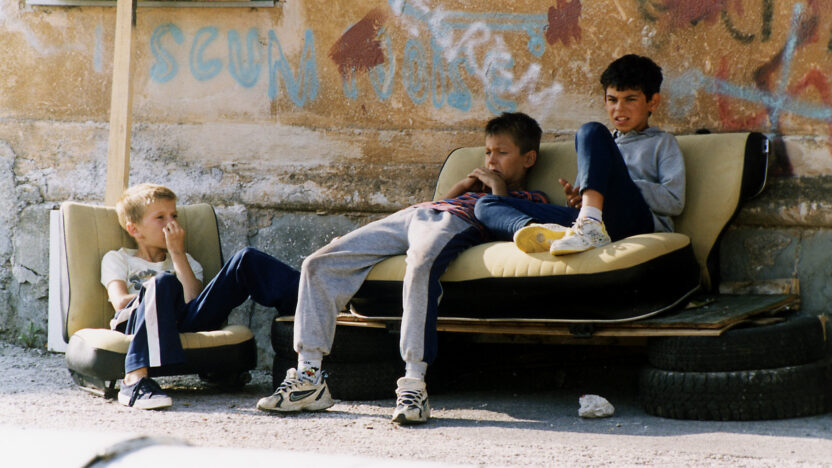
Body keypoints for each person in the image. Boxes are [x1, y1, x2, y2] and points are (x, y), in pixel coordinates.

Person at [256, 112, 548, 424]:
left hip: (453, 222)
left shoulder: (531, 199)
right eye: (488, 152)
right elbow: (437, 203)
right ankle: (309, 379)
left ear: (528, 159)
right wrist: (462, 186)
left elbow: (504, 222)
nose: (491, 161)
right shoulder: (471, 187)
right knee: (318, 263)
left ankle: (414, 384)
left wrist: (497, 191)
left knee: (420, 266)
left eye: (502, 153)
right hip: (415, 214)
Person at [101, 183, 300, 410]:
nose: (172, 223)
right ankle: (134, 380)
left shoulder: (184, 259)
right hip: (137, 323)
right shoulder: (118, 259)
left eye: (174, 215)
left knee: (246, 259)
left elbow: (192, 300)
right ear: (134, 229)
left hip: (183, 319)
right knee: (163, 282)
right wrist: (156, 293)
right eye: (160, 218)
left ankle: (310, 300)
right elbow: (119, 302)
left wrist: (177, 253)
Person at [474, 54, 685, 255]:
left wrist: (614, 184)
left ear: (652, 102)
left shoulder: (662, 142)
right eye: (612, 100)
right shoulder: (600, 146)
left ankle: (589, 223)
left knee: (590, 130)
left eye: (630, 99)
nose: (619, 108)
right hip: (591, 224)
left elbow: (674, 202)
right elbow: (586, 196)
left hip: (634, 222)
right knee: (486, 205)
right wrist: (576, 200)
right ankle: (541, 233)